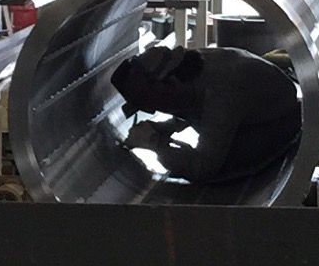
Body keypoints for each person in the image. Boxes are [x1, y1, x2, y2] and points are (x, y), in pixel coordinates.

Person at [111, 42, 302, 190]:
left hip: (276, 125)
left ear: (170, 83)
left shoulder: (221, 95)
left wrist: (154, 143)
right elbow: (188, 103)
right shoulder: (186, 68)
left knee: (220, 172)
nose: (155, 109)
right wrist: (167, 127)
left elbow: (202, 169)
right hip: (259, 104)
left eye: (153, 102)